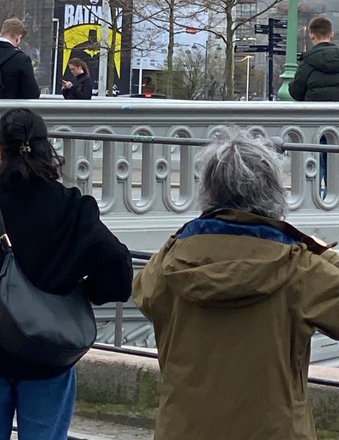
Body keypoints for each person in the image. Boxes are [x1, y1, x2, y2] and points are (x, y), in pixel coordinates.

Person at [134, 130, 339, 440]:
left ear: (209, 191)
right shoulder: (300, 269)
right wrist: (324, 253)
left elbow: (142, 294)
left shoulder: (166, 263)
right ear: (273, 192)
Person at [0, 107, 132, 440]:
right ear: (46, 148)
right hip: (46, 351)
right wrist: (88, 289)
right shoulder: (72, 208)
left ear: (1, 149)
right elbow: (118, 268)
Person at [290, 14, 339, 196]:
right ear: (331, 35)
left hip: (316, 124)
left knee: (317, 163)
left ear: (311, 35)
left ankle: (318, 200)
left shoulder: (307, 62)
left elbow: (296, 92)